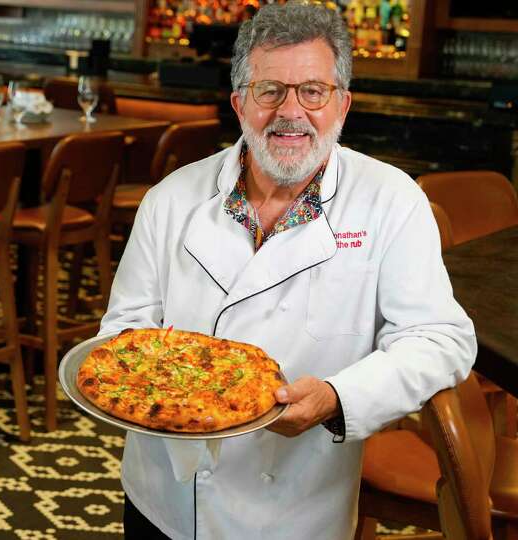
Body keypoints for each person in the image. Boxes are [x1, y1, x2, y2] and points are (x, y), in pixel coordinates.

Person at [100, 3, 476, 540]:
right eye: (269, 90)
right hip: (166, 495)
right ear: (238, 103)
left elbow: (441, 338)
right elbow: (121, 334)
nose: (290, 111)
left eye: (313, 91)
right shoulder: (171, 198)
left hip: (300, 506)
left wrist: (339, 398)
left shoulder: (392, 201)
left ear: (342, 104)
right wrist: (168, 391)